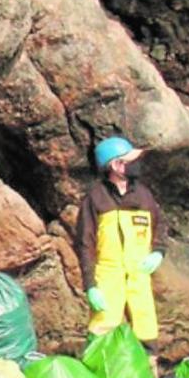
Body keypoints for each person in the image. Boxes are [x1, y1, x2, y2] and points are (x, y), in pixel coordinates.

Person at [75, 136, 167, 343]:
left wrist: (158, 252)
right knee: (102, 331)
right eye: (129, 160)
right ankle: (99, 372)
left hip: (139, 274)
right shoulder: (95, 198)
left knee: (146, 330)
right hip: (108, 275)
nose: (136, 164)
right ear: (115, 165)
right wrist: (91, 285)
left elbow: (160, 226)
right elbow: (84, 243)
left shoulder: (144, 196)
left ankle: (148, 369)